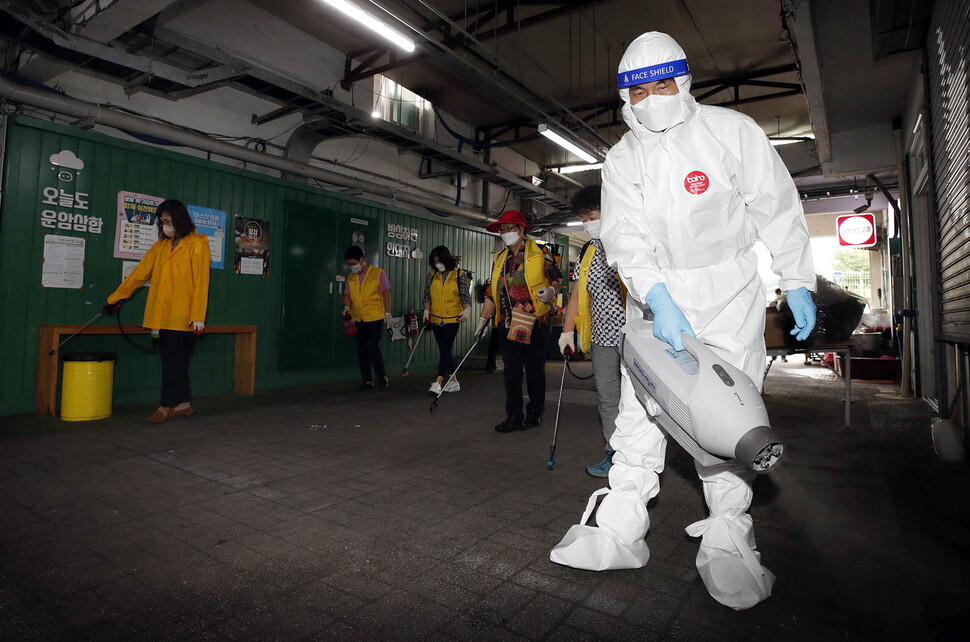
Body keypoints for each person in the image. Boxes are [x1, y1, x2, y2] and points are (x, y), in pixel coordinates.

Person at [550, 32, 817, 610]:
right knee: (640, 407)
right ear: (625, 96)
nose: (652, 98)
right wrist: (657, 298)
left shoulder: (732, 133)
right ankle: (620, 527)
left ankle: (728, 538)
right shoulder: (623, 158)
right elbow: (625, 238)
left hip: (731, 292)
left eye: (662, 84)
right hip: (658, 298)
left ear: (685, 82)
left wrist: (796, 279)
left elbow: (777, 204)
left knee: (725, 414)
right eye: (638, 90)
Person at [105, 199, 211, 423]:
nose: (164, 226)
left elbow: (202, 281)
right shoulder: (160, 247)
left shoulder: (198, 244)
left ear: (180, 219)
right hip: (162, 316)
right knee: (174, 362)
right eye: (162, 222)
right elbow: (140, 274)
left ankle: (165, 406)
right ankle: (183, 405)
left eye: (168, 221)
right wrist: (115, 298)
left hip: (186, 318)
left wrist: (198, 316)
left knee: (174, 363)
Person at [558, 185, 626, 478]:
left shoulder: (628, 241)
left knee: (638, 400)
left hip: (633, 337)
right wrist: (566, 331)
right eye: (583, 218)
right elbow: (576, 294)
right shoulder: (587, 250)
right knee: (608, 398)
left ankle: (640, 456)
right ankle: (614, 455)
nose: (588, 222)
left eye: (592, 215)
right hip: (601, 339)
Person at [475, 210, 562, 432]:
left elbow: (557, 279)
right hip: (507, 322)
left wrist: (551, 290)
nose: (505, 233)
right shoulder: (499, 259)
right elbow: (493, 293)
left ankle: (535, 412)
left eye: (509, 229)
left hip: (536, 321)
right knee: (511, 371)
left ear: (521, 230)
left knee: (534, 369)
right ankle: (513, 417)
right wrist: (483, 319)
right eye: (502, 230)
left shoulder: (541, 252)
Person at [422, 245, 472, 394]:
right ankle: (454, 382)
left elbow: (464, 295)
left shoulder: (459, 274)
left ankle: (438, 382)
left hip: (452, 318)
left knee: (445, 349)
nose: (438, 264)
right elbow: (427, 296)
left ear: (446, 259)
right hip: (436, 318)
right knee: (445, 350)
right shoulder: (431, 275)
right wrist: (426, 310)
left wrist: (467, 309)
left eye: (440, 261)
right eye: (435, 262)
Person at [343, 246, 392, 390]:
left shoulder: (378, 273)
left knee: (371, 347)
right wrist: (347, 309)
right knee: (361, 349)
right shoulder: (351, 277)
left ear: (362, 259)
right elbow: (347, 295)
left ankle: (382, 377)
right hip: (358, 318)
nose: (352, 267)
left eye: (354, 263)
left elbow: (386, 294)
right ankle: (367, 381)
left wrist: (387, 313)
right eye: (350, 264)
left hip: (375, 317)